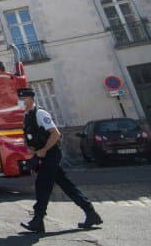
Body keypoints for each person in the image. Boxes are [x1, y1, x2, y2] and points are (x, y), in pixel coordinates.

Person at [18, 87, 102, 233]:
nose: (21, 102)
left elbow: (55, 134)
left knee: (42, 185)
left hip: (51, 154)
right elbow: (28, 135)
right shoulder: (27, 116)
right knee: (66, 185)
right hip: (42, 154)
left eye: (23, 99)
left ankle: (38, 220)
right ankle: (91, 213)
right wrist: (30, 147)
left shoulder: (40, 114)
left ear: (30, 99)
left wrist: (44, 150)